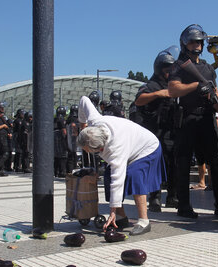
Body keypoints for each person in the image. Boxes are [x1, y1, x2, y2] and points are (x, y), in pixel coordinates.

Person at [78, 96, 165, 235]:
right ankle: (121, 217)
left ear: (100, 148)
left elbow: (118, 180)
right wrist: (82, 124)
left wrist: (111, 210)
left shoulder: (115, 148)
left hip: (147, 147)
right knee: (108, 176)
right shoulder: (95, 121)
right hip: (131, 146)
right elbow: (84, 100)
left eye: (91, 151)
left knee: (134, 174)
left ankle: (144, 221)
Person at [168, 24, 218, 219]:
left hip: (208, 118)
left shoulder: (208, 68)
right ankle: (184, 206)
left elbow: (215, 90)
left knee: (217, 162)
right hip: (188, 117)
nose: (197, 45)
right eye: (193, 41)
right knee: (184, 163)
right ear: (185, 44)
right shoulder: (179, 65)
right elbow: (173, 89)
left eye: (199, 42)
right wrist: (195, 86)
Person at [135, 46, 179, 211]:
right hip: (155, 132)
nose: (170, 73)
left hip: (171, 131)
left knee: (173, 163)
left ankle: (173, 196)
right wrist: (159, 94)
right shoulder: (152, 85)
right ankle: (155, 198)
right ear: (160, 69)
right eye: (168, 70)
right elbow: (139, 100)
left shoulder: (174, 84)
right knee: (155, 165)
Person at [54, 105, 68, 178]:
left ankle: (55, 171)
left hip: (54, 137)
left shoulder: (54, 119)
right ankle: (62, 171)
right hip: (60, 137)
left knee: (56, 156)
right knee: (63, 155)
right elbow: (64, 130)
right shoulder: (62, 119)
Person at [66, 104, 80, 173]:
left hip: (69, 140)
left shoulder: (69, 118)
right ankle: (72, 170)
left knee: (71, 155)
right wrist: (76, 133)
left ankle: (70, 170)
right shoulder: (74, 119)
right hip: (73, 140)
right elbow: (73, 126)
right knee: (73, 155)